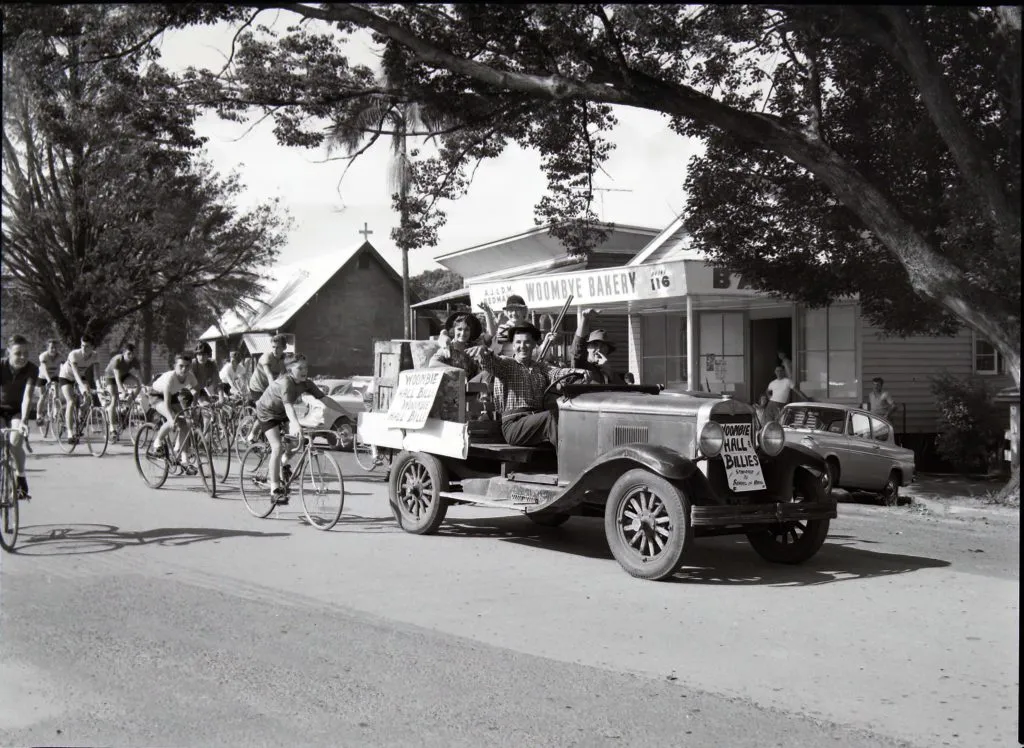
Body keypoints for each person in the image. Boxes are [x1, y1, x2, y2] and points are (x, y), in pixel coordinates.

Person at [474, 322, 592, 447]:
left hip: (537, 423)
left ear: (534, 345)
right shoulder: (506, 364)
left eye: (527, 342)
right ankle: (570, 463)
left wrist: (578, 372)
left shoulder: (540, 367)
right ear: (513, 345)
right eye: (518, 342)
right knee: (551, 417)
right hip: (514, 425)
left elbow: (558, 373)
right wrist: (483, 352)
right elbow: (491, 362)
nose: (522, 346)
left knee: (568, 416)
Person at [254, 353, 346, 502]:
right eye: (300, 368)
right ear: (290, 370)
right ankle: (274, 490)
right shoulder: (286, 382)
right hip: (267, 413)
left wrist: (346, 413)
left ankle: (282, 464)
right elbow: (289, 406)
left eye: (306, 367)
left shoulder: (306, 383)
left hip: (282, 412)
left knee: (296, 442)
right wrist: (296, 425)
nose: (305, 371)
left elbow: (325, 399)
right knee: (277, 446)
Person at [1, 335, 38, 500]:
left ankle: (20, 476)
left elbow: (27, 397)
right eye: (18, 353)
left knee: (15, 441)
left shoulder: (32, 368)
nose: (22, 357)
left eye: (25, 353)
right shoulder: (0, 365)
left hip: (17, 410)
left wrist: (23, 421)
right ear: (8, 352)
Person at [150, 353, 199, 468]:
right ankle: (157, 442)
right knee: (172, 419)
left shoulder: (190, 376)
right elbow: (167, 404)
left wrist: (194, 407)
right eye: (181, 366)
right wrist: (171, 419)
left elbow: (196, 391)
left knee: (185, 425)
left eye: (187, 366)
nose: (184, 369)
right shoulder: (170, 378)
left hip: (173, 395)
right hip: (157, 395)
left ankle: (184, 460)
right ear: (175, 366)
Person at [57, 334, 99, 444]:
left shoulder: (95, 356)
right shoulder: (74, 354)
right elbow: (75, 374)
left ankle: (80, 411)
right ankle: (70, 434)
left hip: (81, 377)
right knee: (70, 401)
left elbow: (97, 375)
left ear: (92, 347)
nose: (84, 349)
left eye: (87, 346)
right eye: (82, 345)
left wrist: (99, 388)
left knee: (89, 399)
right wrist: (83, 388)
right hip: (66, 377)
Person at [102, 343, 141, 441]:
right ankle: (112, 428)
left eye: (133, 354)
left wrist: (142, 384)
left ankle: (125, 408)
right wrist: (123, 391)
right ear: (123, 353)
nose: (131, 356)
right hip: (111, 377)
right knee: (114, 399)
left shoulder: (134, 360)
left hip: (124, 375)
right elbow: (117, 379)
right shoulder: (117, 360)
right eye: (129, 354)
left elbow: (139, 375)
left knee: (139, 385)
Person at [429, 311, 483, 379]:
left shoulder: (472, 347)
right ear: (453, 330)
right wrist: (457, 371)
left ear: (470, 332)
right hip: (455, 386)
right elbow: (433, 363)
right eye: (459, 329)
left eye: (466, 330)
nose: (463, 333)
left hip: (473, 385)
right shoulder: (448, 347)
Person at [247, 334, 288, 404]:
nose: (275, 350)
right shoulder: (267, 357)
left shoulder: (285, 359)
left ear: (284, 348)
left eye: (278, 347)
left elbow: (285, 377)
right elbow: (269, 375)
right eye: (273, 347)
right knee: (264, 409)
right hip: (257, 387)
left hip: (266, 387)